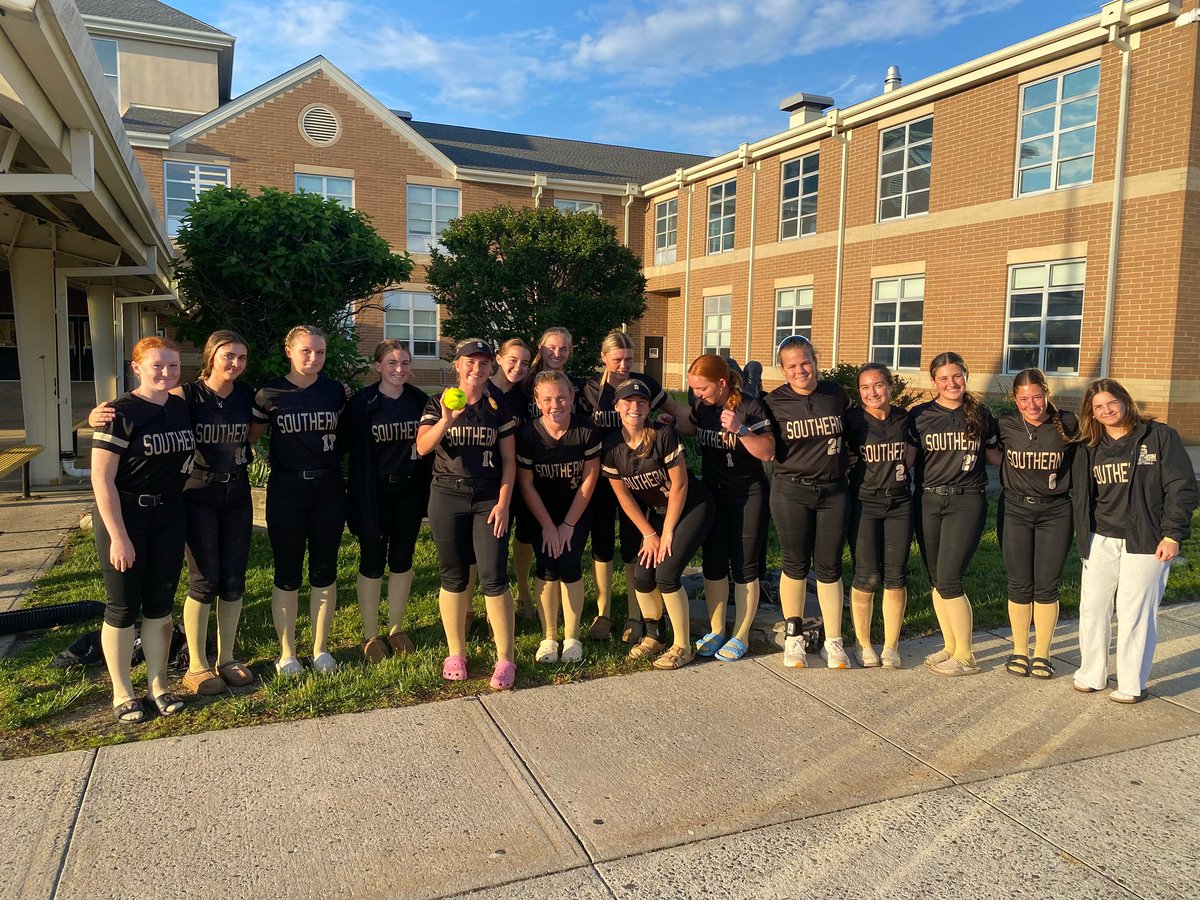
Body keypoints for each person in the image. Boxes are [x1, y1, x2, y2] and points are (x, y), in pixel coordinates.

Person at [88, 330, 258, 695]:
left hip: (225, 494)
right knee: (203, 579)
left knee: (232, 579)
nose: (235, 363)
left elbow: (255, 429)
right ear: (210, 356)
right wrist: (99, 416)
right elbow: (137, 410)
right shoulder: (186, 396)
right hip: (193, 494)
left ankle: (224, 658)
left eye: (242, 358)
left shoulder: (241, 395)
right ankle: (194, 665)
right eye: (228, 356)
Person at [1071, 379, 1197, 703]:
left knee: (1134, 611)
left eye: (1111, 402)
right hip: (1100, 538)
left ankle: (1131, 683)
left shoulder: (1158, 437)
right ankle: (1092, 673)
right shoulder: (1090, 446)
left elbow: (1181, 488)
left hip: (1146, 540)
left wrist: (1173, 534)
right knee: (1093, 608)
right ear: (1092, 414)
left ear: (1125, 401)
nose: (1106, 410)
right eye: (1098, 407)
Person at [91, 337, 195, 722]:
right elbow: (101, 480)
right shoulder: (118, 413)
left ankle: (158, 685)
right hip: (126, 515)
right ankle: (122, 692)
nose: (165, 372)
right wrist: (119, 535)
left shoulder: (182, 407)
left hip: (170, 513)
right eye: (157, 365)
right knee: (121, 605)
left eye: (172, 366)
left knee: (160, 605)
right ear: (137, 368)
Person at [416, 338, 519, 690]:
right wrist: (446, 420)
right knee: (453, 576)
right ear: (457, 365)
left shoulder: (497, 404)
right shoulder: (438, 401)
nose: (477, 369)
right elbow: (422, 447)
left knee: (493, 575)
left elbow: (509, 461)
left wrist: (504, 503)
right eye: (470, 362)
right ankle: (455, 652)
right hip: (447, 495)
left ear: (492, 367)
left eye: (484, 363)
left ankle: (505, 658)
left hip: (489, 497)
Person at [580, 329, 690, 643]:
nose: (624, 364)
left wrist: (699, 420)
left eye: (629, 358)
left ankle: (634, 614)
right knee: (601, 544)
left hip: (638, 478)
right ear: (603, 358)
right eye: (617, 359)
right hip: (604, 477)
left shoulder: (644, 386)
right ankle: (603, 613)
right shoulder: (589, 390)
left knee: (633, 543)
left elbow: (676, 412)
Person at [250, 325, 347, 676]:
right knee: (287, 571)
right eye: (306, 351)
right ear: (288, 351)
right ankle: (287, 653)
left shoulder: (336, 391)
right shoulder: (270, 393)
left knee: (325, 569)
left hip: (328, 488)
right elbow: (252, 436)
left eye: (320, 352)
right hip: (287, 489)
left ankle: (321, 649)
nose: (313, 358)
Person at [601, 379, 714, 669]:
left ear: (649, 406)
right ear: (616, 406)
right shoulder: (612, 445)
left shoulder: (662, 433)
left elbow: (679, 486)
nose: (634, 407)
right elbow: (624, 498)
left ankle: (683, 645)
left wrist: (666, 533)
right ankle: (654, 636)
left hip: (691, 506)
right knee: (641, 575)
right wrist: (650, 534)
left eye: (641, 402)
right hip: (658, 513)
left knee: (666, 574)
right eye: (627, 401)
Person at [675, 354, 774, 661]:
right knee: (714, 563)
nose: (697, 394)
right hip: (714, 492)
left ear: (721, 383)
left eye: (701, 388)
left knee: (744, 565)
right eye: (693, 389)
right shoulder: (703, 407)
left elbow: (768, 451)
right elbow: (692, 427)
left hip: (748, 494)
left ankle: (741, 634)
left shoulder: (750, 406)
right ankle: (717, 629)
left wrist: (742, 430)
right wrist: (662, 419)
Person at [763, 335, 852, 669]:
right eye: (792, 366)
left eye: (805, 362)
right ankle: (794, 636)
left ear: (815, 360)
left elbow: (854, 430)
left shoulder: (835, 394)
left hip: (833, 491)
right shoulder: (773, 403)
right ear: (783, 371)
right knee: (795, 564)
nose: (800, 370)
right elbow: (762, 444)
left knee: (830, 567)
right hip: (792, 490)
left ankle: (833, 640)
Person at [910, 351, 999, 677]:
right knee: (936, 579)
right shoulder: (919, 416)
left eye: (957, 376)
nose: (951, 383)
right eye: (944, 378)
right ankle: (950, 646)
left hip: (966, 501)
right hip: (929, 501)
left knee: (949, 579)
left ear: (966, 375)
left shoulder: (981, 414)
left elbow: (996, 456)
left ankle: (966, 656)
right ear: (934, 382)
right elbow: (905, 457)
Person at [344, 340, 432, 662]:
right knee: (372, 559)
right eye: (392, 362)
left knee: (402, 558)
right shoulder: (363, 403)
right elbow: (343, 446)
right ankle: (370, 633)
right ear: (378, 366)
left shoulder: (419, 401)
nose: (399, 369)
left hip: (409, 490)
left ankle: (396, 628)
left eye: (405, 363)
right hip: (373, 492)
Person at [995, 368, 1077, 680]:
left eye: (1038, 397)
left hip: (1056, 512)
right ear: (1014, 399)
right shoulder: (1005, 424)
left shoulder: (1068, 423)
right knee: (1019, 583)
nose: (1032, 404)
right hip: (1016, 509)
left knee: (1047, 585)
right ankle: (1019, 649)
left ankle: (1042, 652)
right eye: (1024, 399)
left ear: (1047, 394)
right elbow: (989, 453)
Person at [516, 370, 601, 663]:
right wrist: (548, 526)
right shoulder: (528, 435)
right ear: (538, 402)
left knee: (569, 562)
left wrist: (566, 525)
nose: (556, 404)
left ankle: (572, 636)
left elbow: (590, 481)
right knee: (547, 566)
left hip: (575, 509)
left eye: (562, 397)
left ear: (573, 398)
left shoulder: (586, 430)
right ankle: (549, 636)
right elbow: (526, 484)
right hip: (541, 510)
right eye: (548, 399)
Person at [844, 363, 917, 669]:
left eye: (878, 385)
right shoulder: (852, 420)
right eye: (865, 387)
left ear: (890, 386)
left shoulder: (905, 418)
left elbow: (912, 451)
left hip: (899, 503)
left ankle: (891, 645)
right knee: (867, 575)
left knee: (895, 576)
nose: (872, 392)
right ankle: (863, 643)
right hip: (864, 502)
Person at [489, 338, 537, 619]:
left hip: (524, 474)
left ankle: (524, 593)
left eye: (524, 363)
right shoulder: (484, 390)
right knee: (490, 542)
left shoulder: (526, 395)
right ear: (498, 358)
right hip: (489, 476)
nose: (518, 367)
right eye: (513, 360)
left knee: (525, 535)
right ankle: (479, 603)